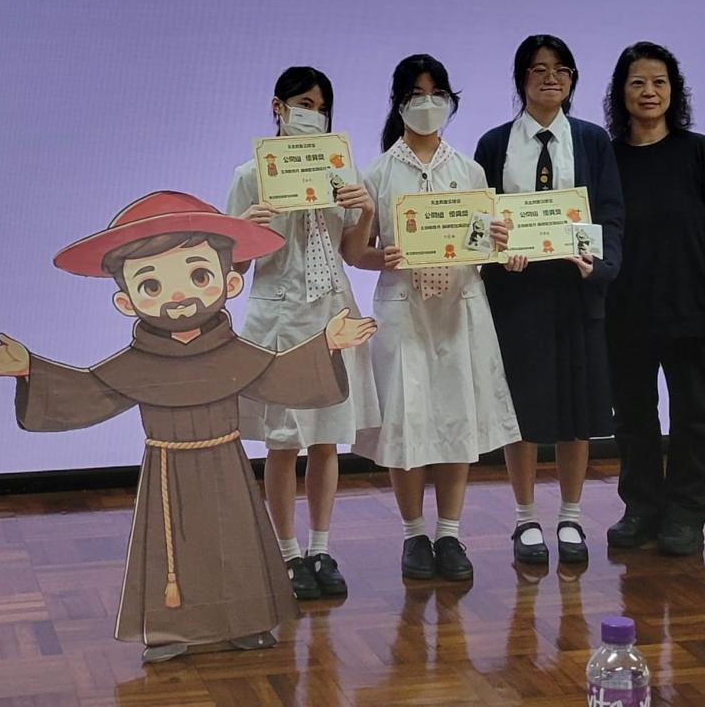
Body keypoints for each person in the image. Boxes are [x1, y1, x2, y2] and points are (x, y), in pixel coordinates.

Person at [0, 191, 377, 662]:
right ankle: (169, 632)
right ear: (125, 301)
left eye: (198, 276)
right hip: (167, 471)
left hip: (225, 468)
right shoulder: (138, 363)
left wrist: (326, 345)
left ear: (229, 283)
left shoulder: (233, 354)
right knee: (170, 549)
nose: (179, 295)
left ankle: (245, 622)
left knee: (234, 540)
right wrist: (30, 371)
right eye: (152, 284)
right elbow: (91, 390)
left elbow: (278, 374)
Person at [348, 54, 520, 582]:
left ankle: (449, 533)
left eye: (435, 94)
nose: (427, 104)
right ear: (398, 102)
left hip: (460, 307)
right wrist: (382, 256)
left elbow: (483, 247)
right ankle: (413, 535)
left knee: (455, 415)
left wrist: (499, 241)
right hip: (404, 309)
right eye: (416, 94)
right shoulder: (377, 173)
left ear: (449, 100)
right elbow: (355, 252)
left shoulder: (469, 170)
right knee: (407, 420)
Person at [227, 67, 381, 600]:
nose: (311, 114)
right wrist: (244, 232)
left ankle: (320, 547)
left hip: (331, 315)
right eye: (303, 104)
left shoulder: (341, 170)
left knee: (326, 438)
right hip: (278, 319)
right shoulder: (249, 175)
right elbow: (231, 271)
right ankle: (287, 552)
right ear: (278, 107)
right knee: (282, 441)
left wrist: (366, 211)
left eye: (320, 107)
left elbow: (352, 252)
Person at [475, 35, 624, 568]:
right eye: (538, 70)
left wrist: (599, 265)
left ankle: (571, 516)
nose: (551, 78)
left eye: (561, 69)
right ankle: (524, 518)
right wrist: (497, 253)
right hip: (516, 296)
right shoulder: (495, 143)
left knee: (575, 408)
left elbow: (611, 213)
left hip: (575, 292)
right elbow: (479, 223)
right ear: (521, 80)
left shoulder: (592, 140)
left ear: (572, 79)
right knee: (520, 411)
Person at [603, 42, 705, 557]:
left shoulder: (701, 152)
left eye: (659, 82)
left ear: (674, 91)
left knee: (696, 416)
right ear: (621, 92)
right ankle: (641, 508)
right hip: (624, 311)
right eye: (638, 82)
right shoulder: (606, 158)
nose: (649, 92)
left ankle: (687, 514)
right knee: (633, 417)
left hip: (693, 309)